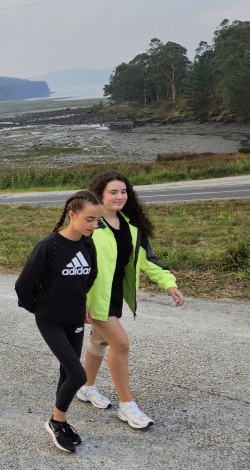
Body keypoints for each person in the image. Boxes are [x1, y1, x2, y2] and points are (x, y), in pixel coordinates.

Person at [76, 171, 186, 429]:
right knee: (121, 344)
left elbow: (147, 259)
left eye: (123, 191)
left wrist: (168, 284)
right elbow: (71, 261)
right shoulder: (90, 223)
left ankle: (86, 387)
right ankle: (128, 405)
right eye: (113, 192)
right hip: (93, 297)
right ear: (99, 194)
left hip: (114, 293)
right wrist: (79, 299)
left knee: (99, 341)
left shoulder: (129, 224)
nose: (120, 196)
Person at [15, 190, 102, 453]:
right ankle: (56, 420)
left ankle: (59, 420)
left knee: (67, 371)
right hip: (50, 320)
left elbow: (90, 275)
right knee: (78, 374)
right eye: (89, 219)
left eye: (97, 220)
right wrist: (40, 311)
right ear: (72, 215)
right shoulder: (48, 246)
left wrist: (81, 301)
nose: (94, 225)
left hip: (74, 318)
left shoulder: (88, 244)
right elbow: (23, 286)